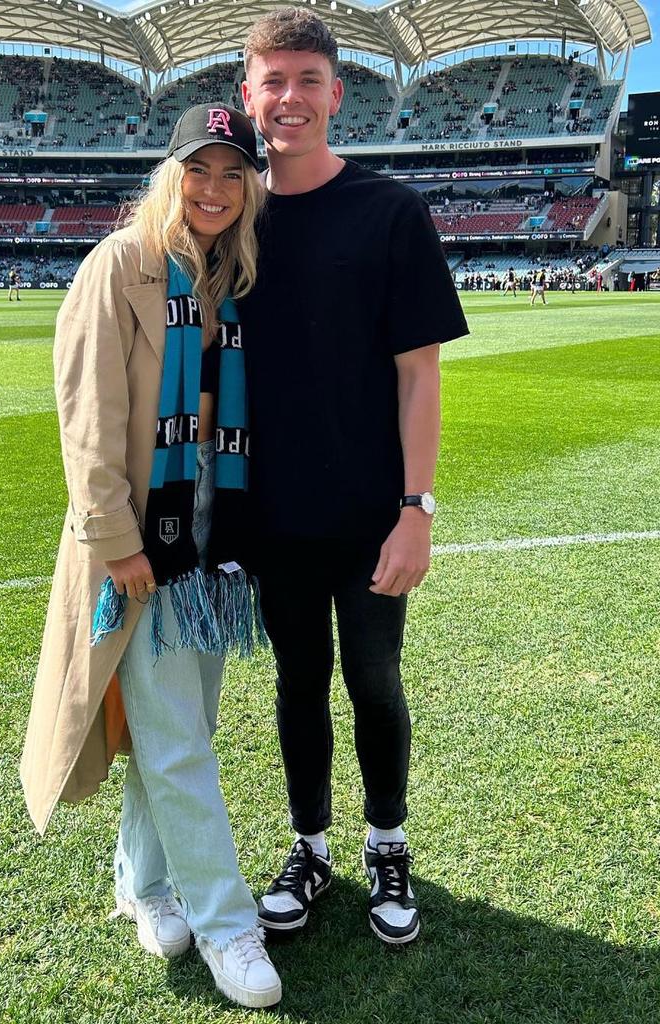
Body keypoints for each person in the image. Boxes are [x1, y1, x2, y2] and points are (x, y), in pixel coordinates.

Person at [20, 102, 283, 1009]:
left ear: (249, 187)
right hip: (143, 535)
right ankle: (226, 923)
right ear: (169, 176)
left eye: (232, 174)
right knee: (175, 740)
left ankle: (143, 882)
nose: (214, 190)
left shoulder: (231, 276)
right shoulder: (118, 268)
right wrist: (120, 545)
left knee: (183, 732)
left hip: (213, 530)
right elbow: (87, 425)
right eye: (198, 171)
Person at [239, 8, 468, 946]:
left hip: (372, 509)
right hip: (271, 515)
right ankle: (311, 846)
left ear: (337, 93)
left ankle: (387, 845)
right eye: (272, 82)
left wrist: (416, 509)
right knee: (297, 684)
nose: (289, 99)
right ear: (247, 97)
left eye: (306, 80)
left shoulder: (389, 210)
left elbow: (420, 374)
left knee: (374, 679)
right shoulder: (229, 211)